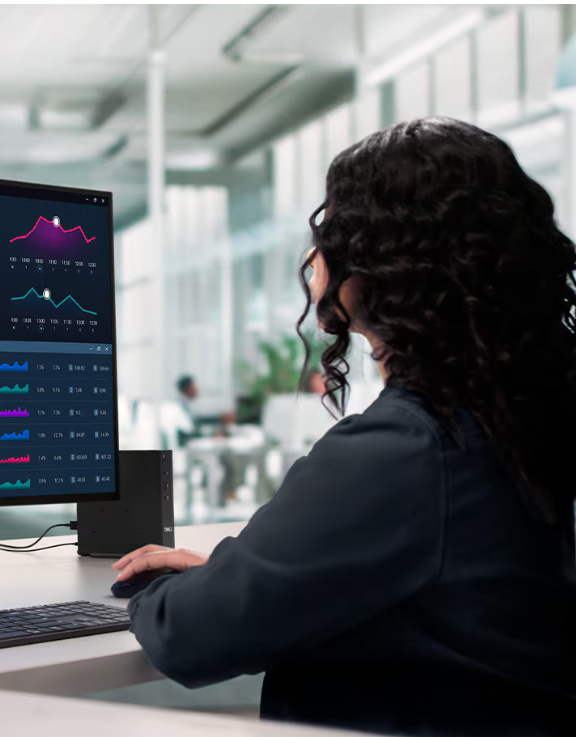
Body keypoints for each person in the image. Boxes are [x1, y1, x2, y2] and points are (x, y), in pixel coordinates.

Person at [115, 118, 576, 735]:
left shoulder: (407, 447)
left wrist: (157, 591)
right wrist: (244, 577)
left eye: (333, 229)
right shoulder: (522, 418)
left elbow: (189, 637)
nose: (316, 252)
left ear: (382, 266)